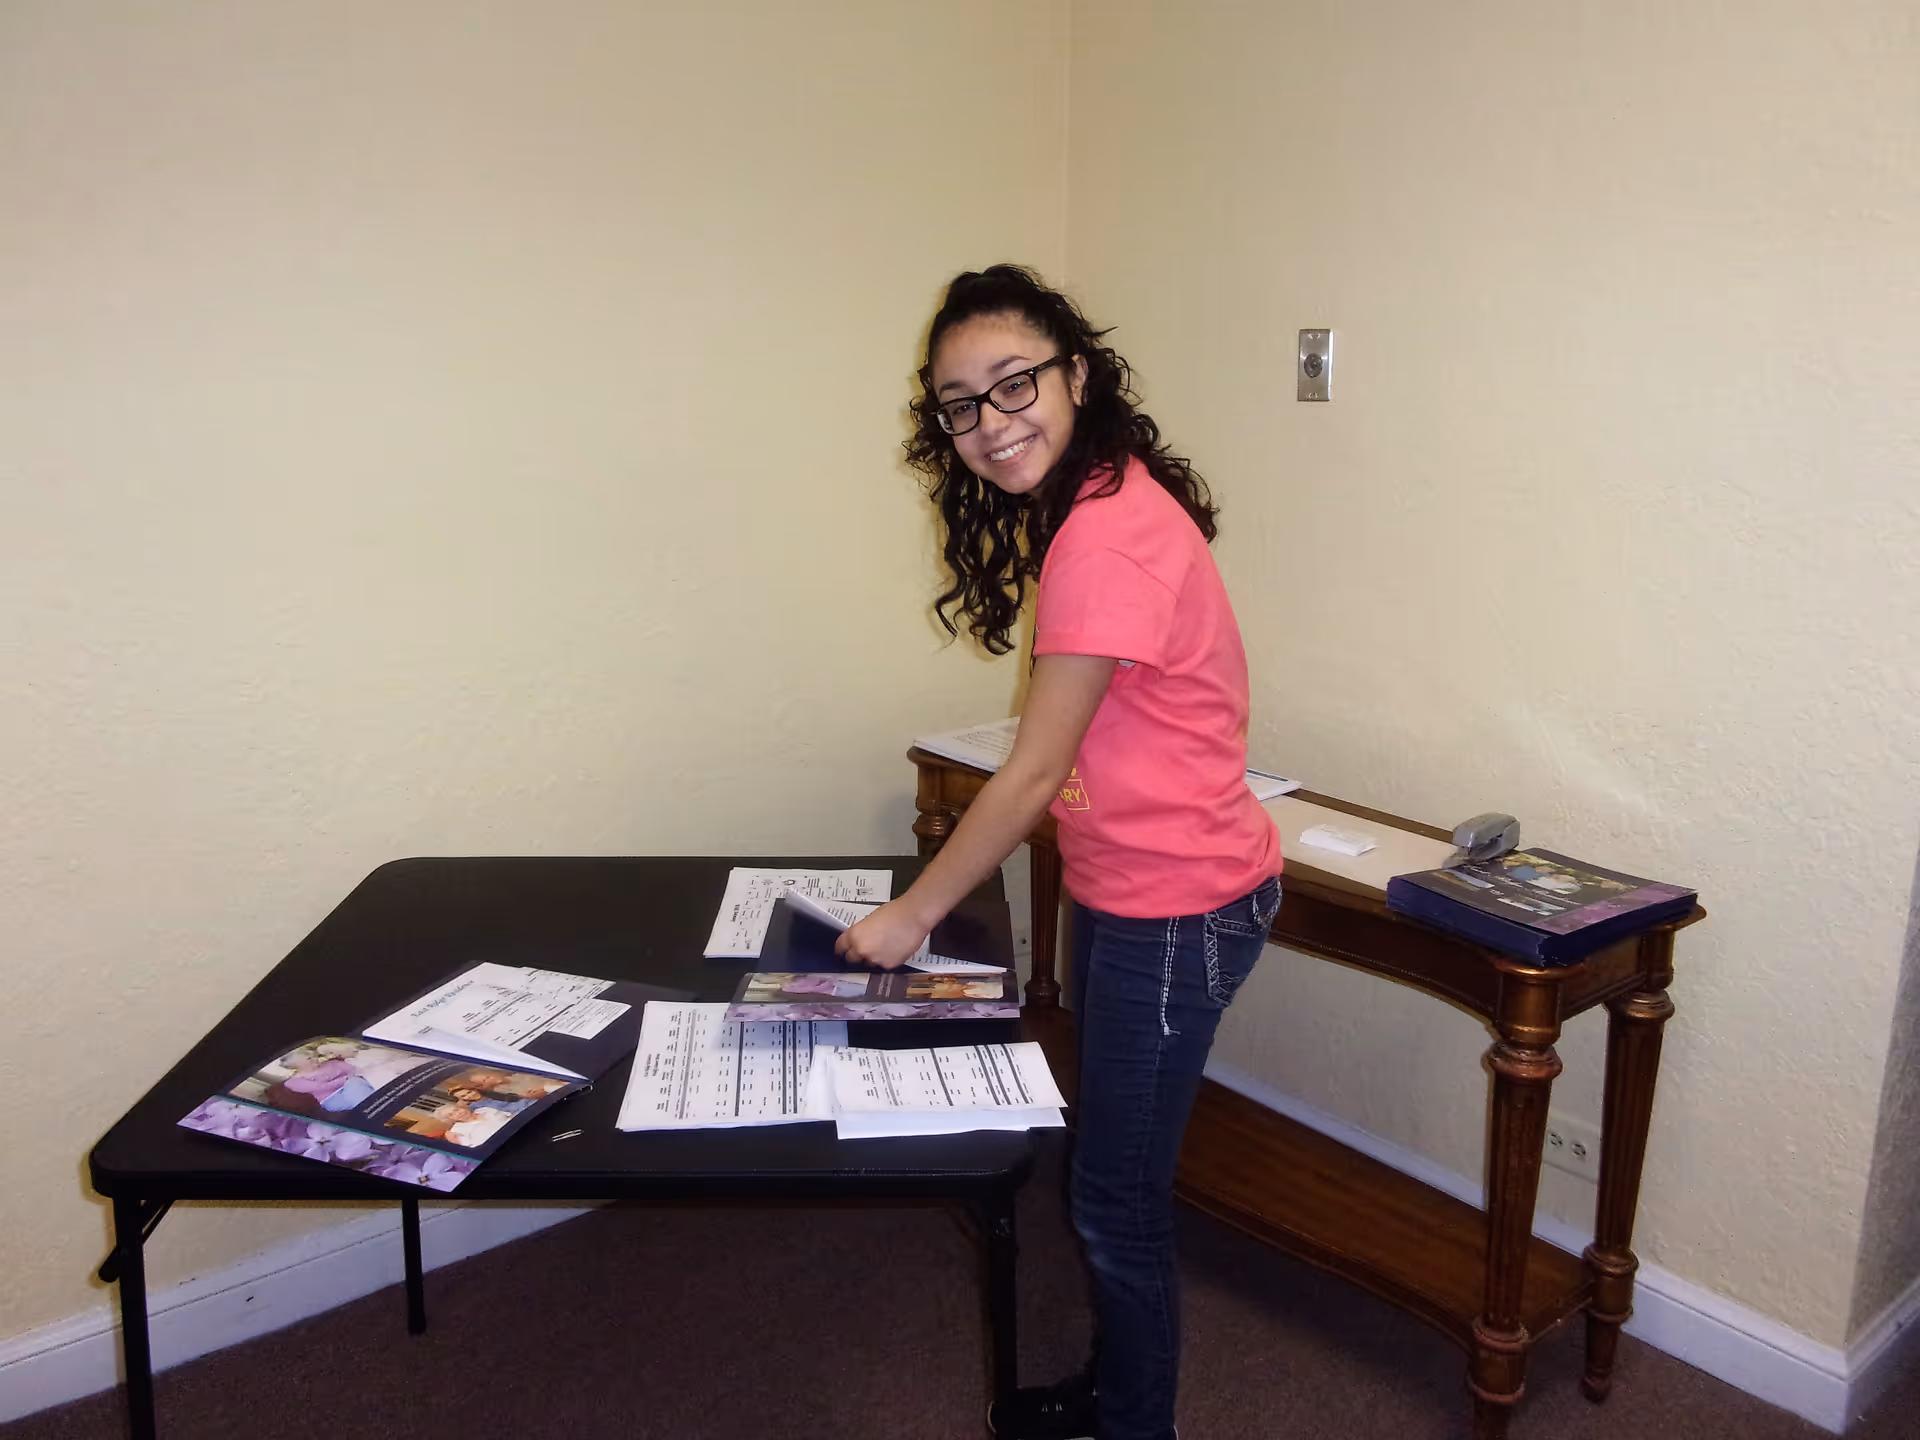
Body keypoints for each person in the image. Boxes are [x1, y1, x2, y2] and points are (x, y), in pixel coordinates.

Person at [837, 265, 1282, 1440]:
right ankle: (1121, 1393)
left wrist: (909, 918)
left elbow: (1032, 773)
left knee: (1114, 1204)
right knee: (1107, 1179)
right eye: (959, 403)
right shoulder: (1102, 500)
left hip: (1176, 907)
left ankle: (1139, 1427)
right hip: (1148, 890)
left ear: (1075, 374)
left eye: (1014, 382)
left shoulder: (1104, 538)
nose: (990, 421)